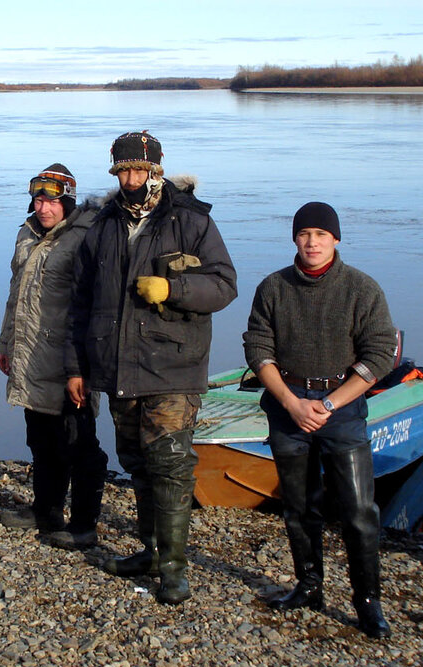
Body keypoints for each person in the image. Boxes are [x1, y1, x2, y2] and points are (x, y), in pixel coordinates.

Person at [65, 131, 237, 604]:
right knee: (137, 462)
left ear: (157, 172)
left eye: (140, 171)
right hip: (117, 368)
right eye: (123, 171)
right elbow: (79, 304)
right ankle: (149, 551)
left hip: (173, 367)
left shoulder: (190, 220)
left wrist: (173, 290)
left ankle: (175, 569)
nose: (131, 179)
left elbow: (224, 285)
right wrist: (76, 367)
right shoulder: (101, 226)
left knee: (171, 465)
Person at [243, 201, 396, 639]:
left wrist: (329, 405)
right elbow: (257, 348)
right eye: (305, 234)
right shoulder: (273, 287)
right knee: (298, 508)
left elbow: (380, 354)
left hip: (342, 410)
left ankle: (368, 602)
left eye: (321, 235)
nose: (312, 242)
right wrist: (291, 403)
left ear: (336, 240)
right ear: (295, 238)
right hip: (288, 406)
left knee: (359, 510)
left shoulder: (362, 289)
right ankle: (309, 586)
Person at [0, 164, 108, 548]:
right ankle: (46, 511)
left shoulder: (86, 236)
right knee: (40, 439)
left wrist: (84, 366)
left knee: (79, 443)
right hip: (28, 355)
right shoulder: (26, 235)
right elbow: (15, 295)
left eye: (52, 201)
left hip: (69, 361)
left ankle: (84, 524)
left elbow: (94, 305)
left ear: (68, 201)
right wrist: (5, 342)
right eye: (39, 199)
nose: (43, 208)